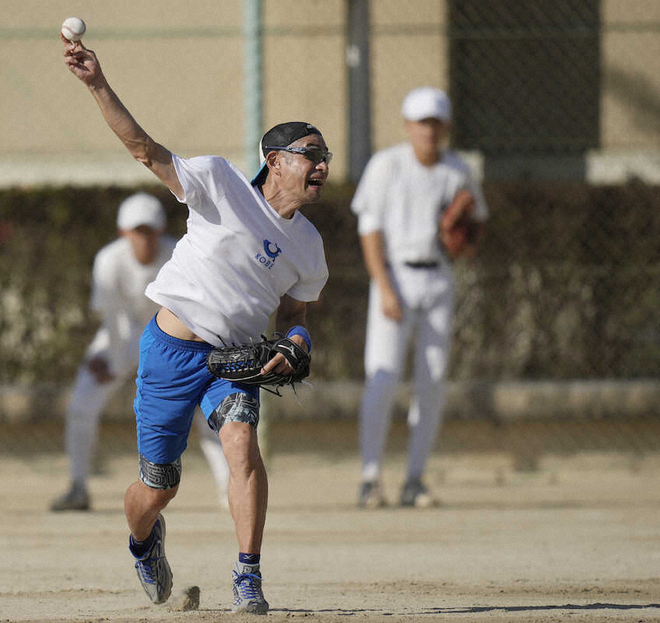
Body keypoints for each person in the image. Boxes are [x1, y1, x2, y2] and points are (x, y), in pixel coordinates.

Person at [63, 35, 329, 615]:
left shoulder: (308, 245)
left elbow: (295, 314)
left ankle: (248, 578)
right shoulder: (219, 184)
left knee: (241, 447)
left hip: (230, 362)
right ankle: (142, 543)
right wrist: (96, 83)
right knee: (159, 489)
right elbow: (142, 148)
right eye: (312, 154)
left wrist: (298, 341)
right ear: (276, 161)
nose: (322, 165)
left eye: (324, 156)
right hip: (168, 353)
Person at [50, 191, 231, 513]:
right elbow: (112, 318)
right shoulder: (109, 260)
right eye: (137, 232)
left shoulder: (179, 253)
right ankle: (78, 487)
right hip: (122, 334)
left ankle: (230, 492)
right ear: (124, 233)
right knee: (81, 404)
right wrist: (115, 363)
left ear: (160, 231)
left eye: (150, 231)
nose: (144, 240)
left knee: (207, 412)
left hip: (176, 334)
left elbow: (197, 310)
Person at [351, 87, 488, 509]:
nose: (428, 130)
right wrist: (385, 288)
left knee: (431, 382)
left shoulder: (458, 171)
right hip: (394, 276)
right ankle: (370, 478)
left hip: (439, 280)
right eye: (421, 122)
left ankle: (415, 479)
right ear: (408, 125)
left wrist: (462, 237)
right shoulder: (386, 165)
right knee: (383, 376)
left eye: (435, 122)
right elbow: (369, 230)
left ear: (444, 127)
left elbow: (476, 229)